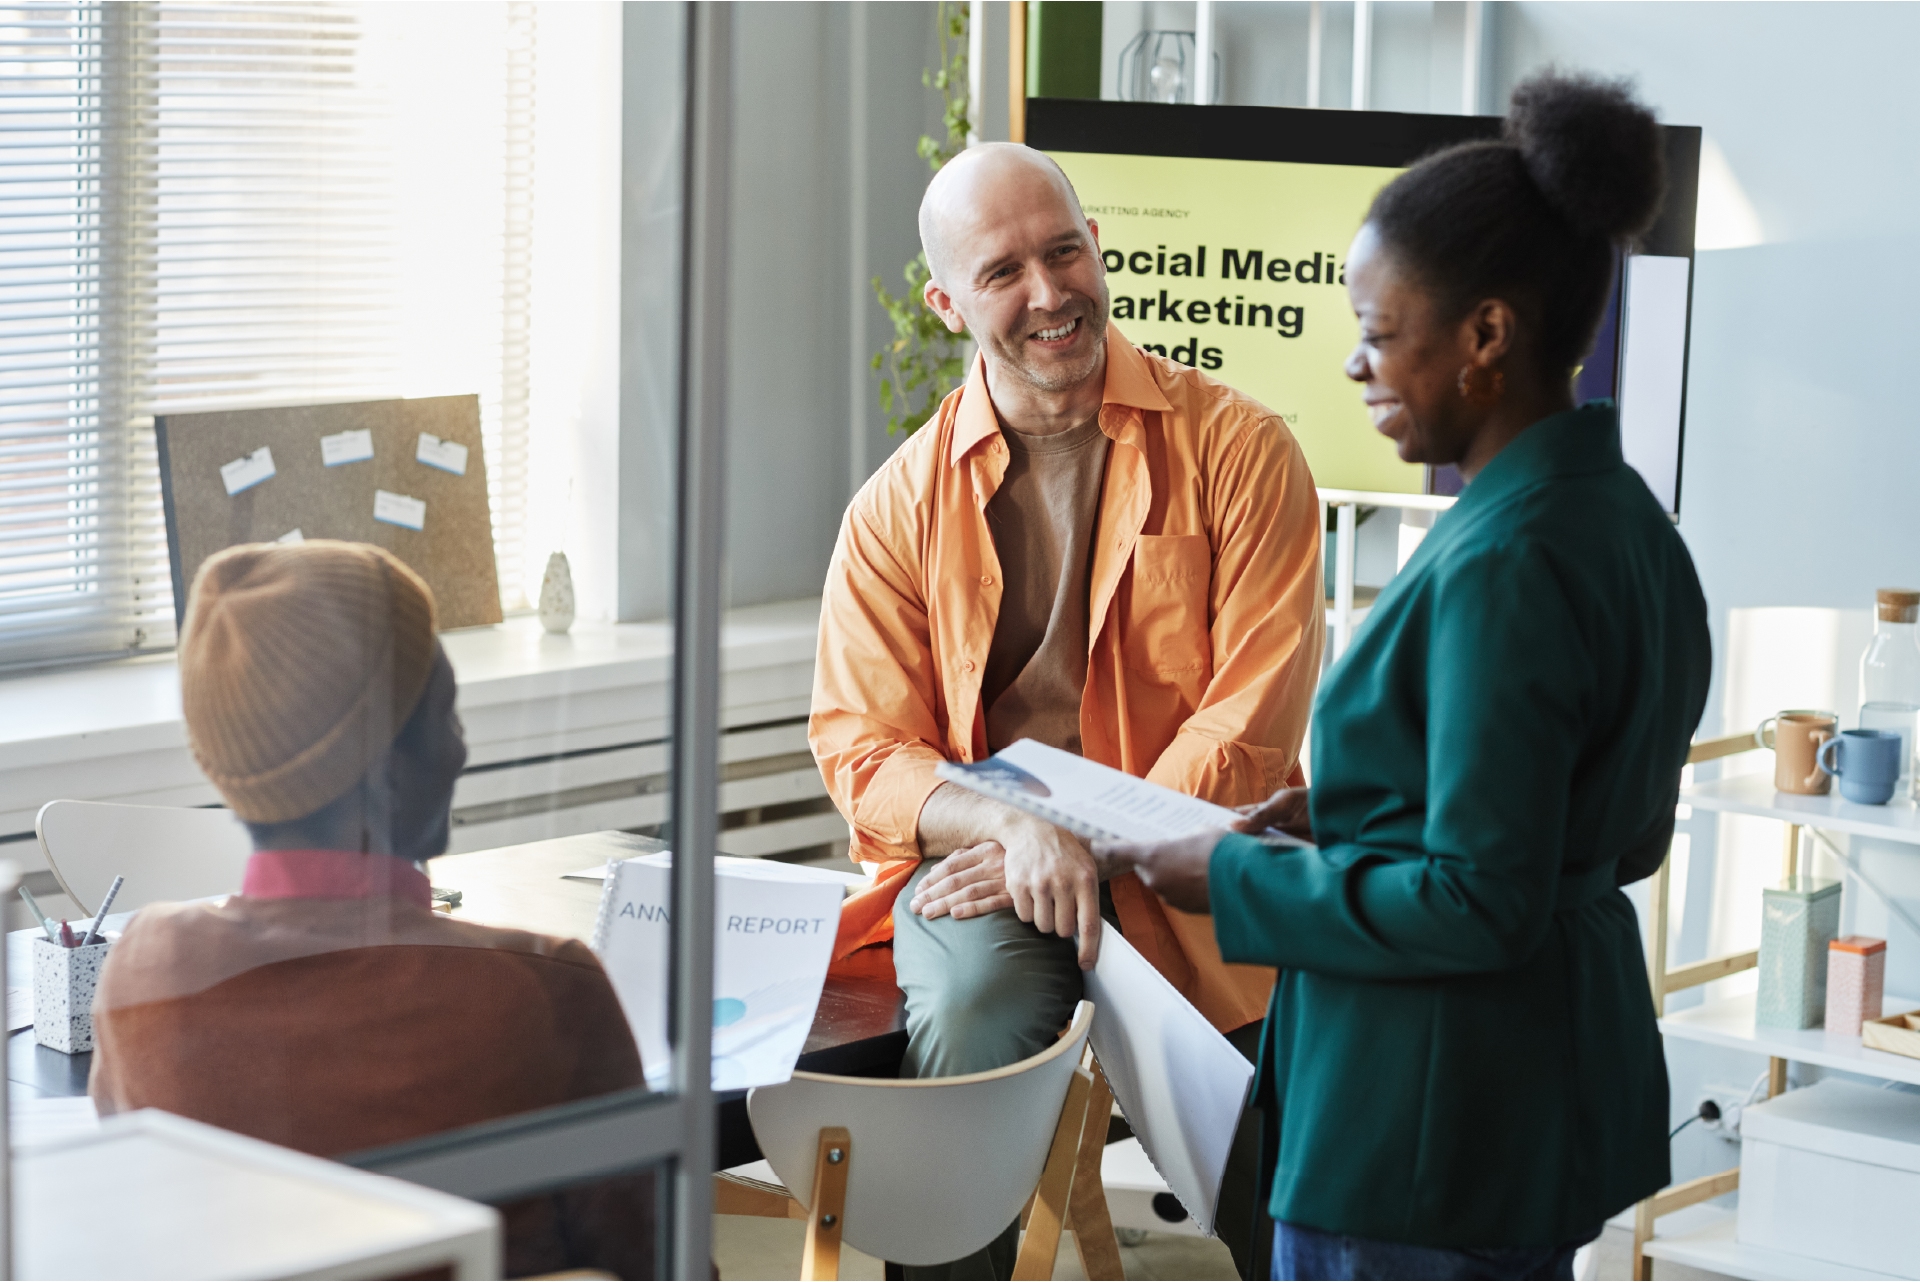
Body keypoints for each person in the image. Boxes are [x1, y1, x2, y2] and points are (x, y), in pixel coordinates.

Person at [1097, 72, 1712, 1281]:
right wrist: (1357, 809)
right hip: (1528, 1099)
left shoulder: (1506, 562)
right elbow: (1610, 826)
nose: (1353, 366)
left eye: (1379, 333)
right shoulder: (1624, 523)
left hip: (1422, 1123)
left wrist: (1230, 874)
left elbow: (1483, 900)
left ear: (1487, 334)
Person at [810, 143, 1324, 1276]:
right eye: (1004, 272)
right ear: (947, 302)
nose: (1049, 293)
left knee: (1301, 1169)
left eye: (1065, 250)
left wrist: (1079, 844)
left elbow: (1247, 730)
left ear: (1098, 247)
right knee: (981, 1007)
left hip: (1200, 867)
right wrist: (1010, 831)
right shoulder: (894, 510)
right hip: (989, 875)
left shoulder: (1241, 453)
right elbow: (865, 746)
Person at [89, 541, 654, 1278]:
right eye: (445, 716)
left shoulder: (140, 971)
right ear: (385, 772)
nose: (461, 751)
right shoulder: (543, 989)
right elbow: (656, 1259)